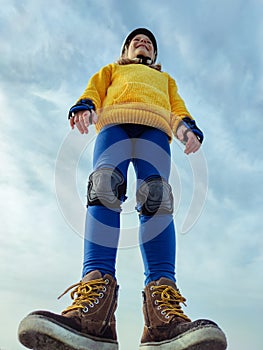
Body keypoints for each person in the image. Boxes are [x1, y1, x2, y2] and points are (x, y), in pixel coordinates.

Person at [18, 28, 227, 350]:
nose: (143, 43)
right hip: (113, 125)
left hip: (155, 131)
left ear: (155, 55)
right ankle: (94, 314)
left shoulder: (165, 80)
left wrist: (187, 128)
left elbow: (177, 108)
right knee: (103, 187)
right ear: (126, 50)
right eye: (136, 41)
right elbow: (94, 90)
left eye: (149, 43)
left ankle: (162, 317)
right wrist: (85, 105)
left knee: (157, 199)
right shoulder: (113, 70)